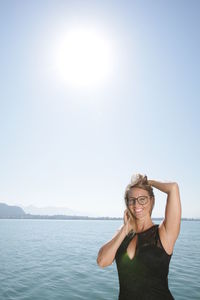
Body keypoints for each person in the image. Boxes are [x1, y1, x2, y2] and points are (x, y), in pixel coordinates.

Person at [97, 174, 181, 300]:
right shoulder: (123, 232)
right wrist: (125, 229)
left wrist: (148, 182)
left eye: (143, 199)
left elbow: (173, 188)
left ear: (151, 201)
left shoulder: (164, 233)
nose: (137, 205)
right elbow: (102, 261)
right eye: (132, 200)